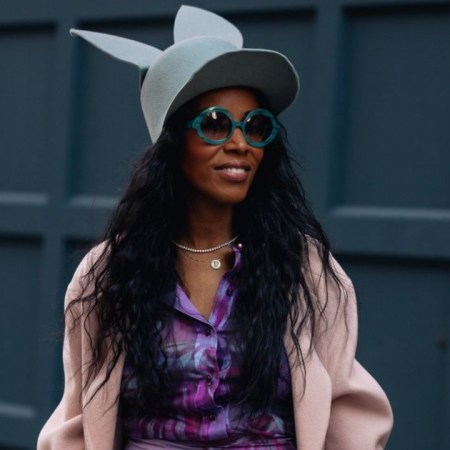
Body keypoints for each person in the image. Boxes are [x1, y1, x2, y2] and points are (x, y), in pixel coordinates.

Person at [37, 5, 393, 450]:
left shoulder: (304, 268)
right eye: (215, 124)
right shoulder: (107, 274)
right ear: (172, 141)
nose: (240, 143)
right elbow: (78, 416)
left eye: (255, 126)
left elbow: (345, 408)